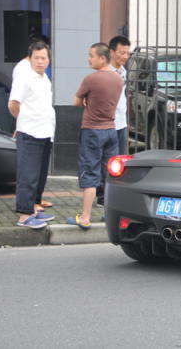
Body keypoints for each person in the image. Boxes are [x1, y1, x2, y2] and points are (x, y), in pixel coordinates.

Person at [68, 43, 123, 229]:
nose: (88, 59)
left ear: (102, 58)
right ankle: (110, 215)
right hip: (111, 130)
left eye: (91, 55)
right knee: (109, 173)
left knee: (89, 172)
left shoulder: (91, 79)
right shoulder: (118, 79)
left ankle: (85, 217)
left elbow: (76, 102)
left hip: (92, 130)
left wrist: (87, 100)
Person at [7, 42, 56, 229]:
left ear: (49, 60)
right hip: (29, 132)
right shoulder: (25, 77)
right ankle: (24, 215)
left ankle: (34, 208)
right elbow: (13, 104)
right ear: (30, 58)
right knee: (27, 175)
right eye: (37, 58)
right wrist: (23, 121)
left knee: (39, 174)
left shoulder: (44, 79)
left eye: (44, 58)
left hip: (45, 132)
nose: (40, 61)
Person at [95, 36, 131, 206]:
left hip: (121, 123)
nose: (125, 56)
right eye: (122, 53)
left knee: (119, 161)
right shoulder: (105, 72)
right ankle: (102, 196)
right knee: (105, 162)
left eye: (127, 53)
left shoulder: (124, 72)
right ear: (112, 52)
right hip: (107, 124)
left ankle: (115, 193)